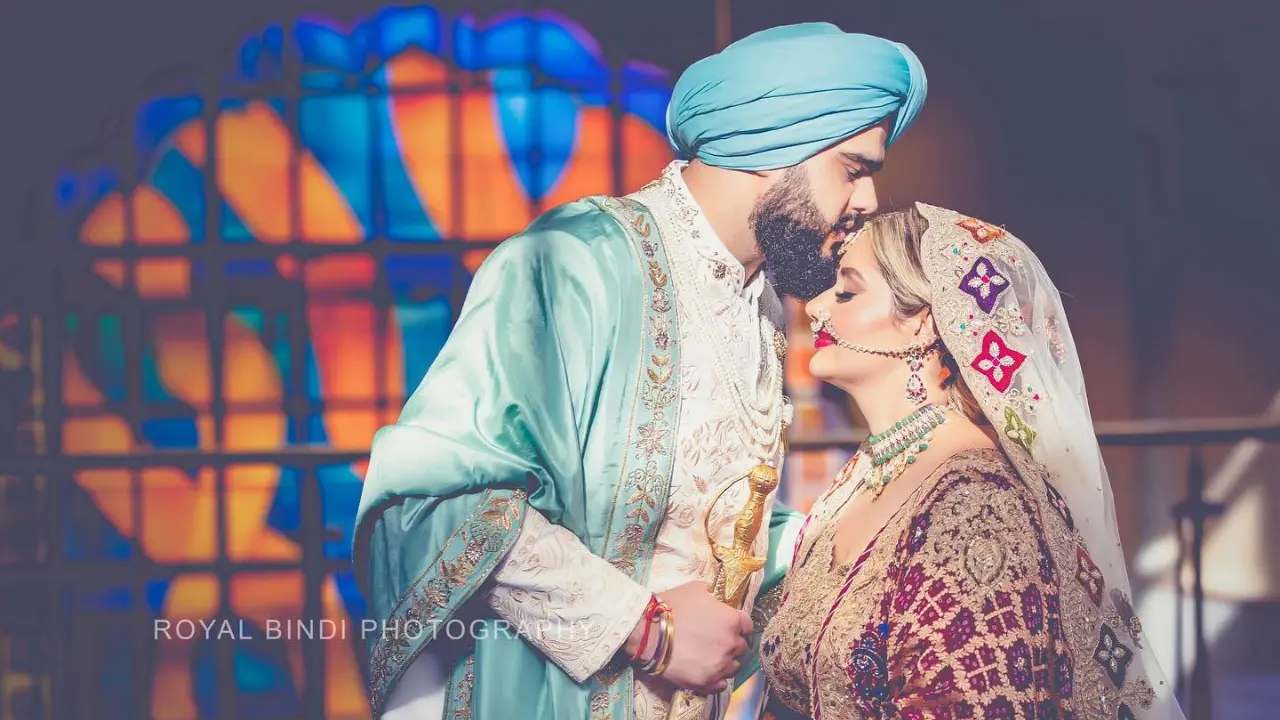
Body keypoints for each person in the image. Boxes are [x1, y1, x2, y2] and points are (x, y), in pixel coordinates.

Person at [351, 22, 928, 720]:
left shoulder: (763, 305)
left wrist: (864, 537)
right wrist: (647, 630)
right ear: (774, 149)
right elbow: (435, 501)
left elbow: (708, 529)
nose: (866, 202)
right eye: (855, 168)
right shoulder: (574, 263)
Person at [758, 203, 1185, 719]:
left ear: (923, 323)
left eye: (847, 291)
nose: (817, 307)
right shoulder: (865, 471)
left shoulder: (979, 507)